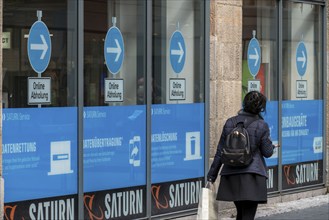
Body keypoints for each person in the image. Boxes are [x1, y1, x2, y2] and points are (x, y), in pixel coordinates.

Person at [207, 91, 279, 220]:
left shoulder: (230, 122)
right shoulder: (262, 125)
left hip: (231, 176)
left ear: (244, 103)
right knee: (247, 215)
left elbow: (220, 152)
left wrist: (211, 177)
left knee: (241, 214)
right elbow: (267, 153)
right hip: (252, 176)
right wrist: (272, 146)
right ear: (261, 108)